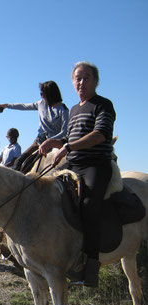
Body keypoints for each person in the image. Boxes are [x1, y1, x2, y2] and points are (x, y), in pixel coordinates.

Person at [39, 62, 116, 287]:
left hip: (95, 165)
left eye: (86, 78)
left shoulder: (104, 105)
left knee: (89, 205)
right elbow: (70, 138)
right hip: (72, 165)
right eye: (77, 78)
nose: (81, 82)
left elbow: (100, 135)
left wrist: (68, 148)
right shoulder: (73, 109)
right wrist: (54, 142)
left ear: (95, 81)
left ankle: (90, 265)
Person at [0, 81, 69, 171]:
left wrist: (50, 141)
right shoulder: (41, 104)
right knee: (19, 162)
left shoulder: (63, 110)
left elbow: (65, 131)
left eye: (42, 93)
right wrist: (6, 106)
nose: (40, 96)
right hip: (39, 140)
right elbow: (24, 106)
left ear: (50, 94)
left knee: (44, 169)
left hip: (53, 144)